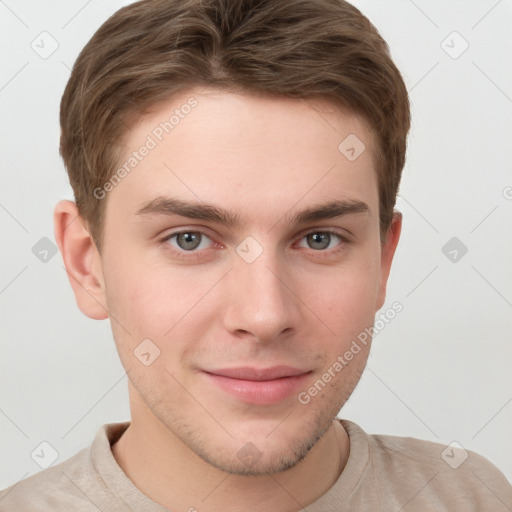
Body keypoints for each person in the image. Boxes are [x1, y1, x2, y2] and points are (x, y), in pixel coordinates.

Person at [1, 0, 510, 510]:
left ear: (382, 259)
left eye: (319, 239)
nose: (265, 316)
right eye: (190, 239)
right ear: (86, 262)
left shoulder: (475, 498)